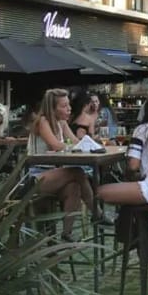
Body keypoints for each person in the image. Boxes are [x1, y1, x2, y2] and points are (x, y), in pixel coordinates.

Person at [28, 88, 96, 241]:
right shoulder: (43, 121)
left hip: (54, 175)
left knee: (74, 187)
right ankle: (96, 213)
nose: (69, 109)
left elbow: (76, 143)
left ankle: (67, 233)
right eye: (64, 106)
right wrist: (74, 147)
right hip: (35, 176)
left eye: (69, 105)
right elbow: (55, 145)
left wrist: (86, 145)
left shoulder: (62, 123)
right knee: (77, 172)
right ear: (52, 108)